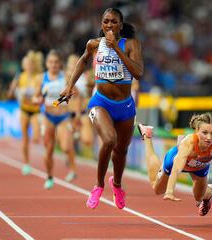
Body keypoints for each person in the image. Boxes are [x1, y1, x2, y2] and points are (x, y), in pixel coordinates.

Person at [60, 8, 143, 209]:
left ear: (120, 26)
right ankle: (98, 186)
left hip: (125, 105)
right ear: (101, 24)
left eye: (114, 22)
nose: (109, 25)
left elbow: (138, 73)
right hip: (101, 102)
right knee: (109, 139)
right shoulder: (93, 45)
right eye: (106, 21)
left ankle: (117, 185)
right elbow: (82, 61)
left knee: (121, 151)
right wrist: (70, 86)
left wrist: (117, 49)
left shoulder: (131, 44)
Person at [137, 112, 212, 216]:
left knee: (199, 197)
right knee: (157, 189)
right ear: (197, 131)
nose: (209, 138)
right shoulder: (190, 142)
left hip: (200, 167)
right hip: (176, 162)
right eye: (204, 132)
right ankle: (147, 136)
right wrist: (170, 191)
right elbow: (177, 169)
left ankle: (209, 192)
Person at [35, 50, 77, 189]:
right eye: (51, 62)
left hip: (63, 117)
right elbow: (36, 97)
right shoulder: (41, 78)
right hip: (47, 116)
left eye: (56, 62)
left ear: (60, 64)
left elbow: (75, 94)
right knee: (49, 150)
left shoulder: (66, 77)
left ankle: (72, 169)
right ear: (47, 64)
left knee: (66, 146)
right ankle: (49, 176)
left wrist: (71, 97)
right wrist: (38, 100)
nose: (53, 65)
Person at [7, 50, 44, 175]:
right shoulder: (19, 77)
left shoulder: (38, 77)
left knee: (36, 138)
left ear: (33, 65)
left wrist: (38, 98)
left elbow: (42, 93)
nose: (28, 66)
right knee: (25, 138)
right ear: (24, 65)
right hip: (24, 110)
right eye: (26, 64)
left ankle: (42, 144)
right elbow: (10, 94)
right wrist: (12, 90)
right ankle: (26, 164)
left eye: (30, 64)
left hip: (35, 111)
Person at [65, 54, 94, 159]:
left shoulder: (85, 77)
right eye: (72, 63)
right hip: (68, 113)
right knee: (65, 146)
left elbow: (89, 94)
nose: (74, 65)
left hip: (82, 111)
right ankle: (72, 140)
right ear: (67, 65)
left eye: (76, 62)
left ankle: (76, 137)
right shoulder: (63, 77)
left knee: (88, 140)